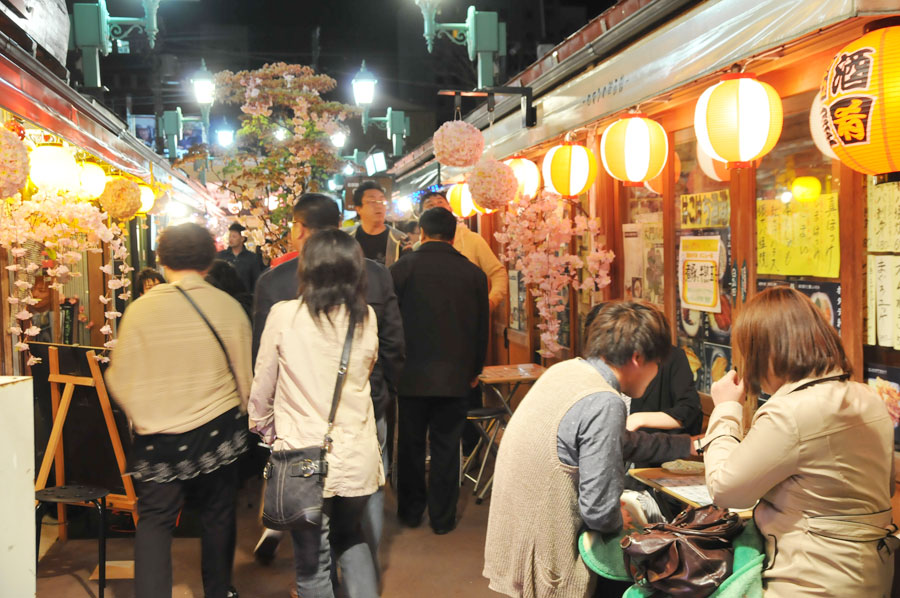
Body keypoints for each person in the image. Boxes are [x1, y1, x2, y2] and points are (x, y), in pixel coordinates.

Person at [483, 301, 693, 598]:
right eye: (656, 363)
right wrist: (621, 516)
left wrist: (688, 445)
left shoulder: (566, 371)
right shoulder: (604, 400)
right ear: (637, 358)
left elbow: (621, 443)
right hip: (549, 551)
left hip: (515, 534)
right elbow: (598, 511)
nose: (657, 371)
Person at [704, 286, 895, 598]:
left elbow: (726, 489)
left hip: (809, 580)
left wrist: (726, 409)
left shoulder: (789, 412)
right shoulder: (867, 397)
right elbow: (881, 489)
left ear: (766, 352)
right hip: (869, 573)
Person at [251, 194, 405, 579]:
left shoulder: (274, 285)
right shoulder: (377, 277)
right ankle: (363, 569)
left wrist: (268, 428)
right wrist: (384, 394)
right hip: (363, 411)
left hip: (299, 426)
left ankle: (284, 534)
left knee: (311, 548)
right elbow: (392, 347)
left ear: (299, 229)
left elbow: (264, 365)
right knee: (354, 522)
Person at [106, 223, 252, 598]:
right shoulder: (228, 306)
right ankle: (218, 591)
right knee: (218, 518)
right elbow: (245, 378)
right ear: (210, 259)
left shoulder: (140, 309)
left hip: (158, 436)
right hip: (218, 430)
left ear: (162, 260)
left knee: (155, 522)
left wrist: (146, 415)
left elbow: (118, 378)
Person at [390, 207, 489, 534]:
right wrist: (475, 368)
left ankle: (410, 511)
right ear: (454, 234)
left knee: (411, 446)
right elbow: (481, 328)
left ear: (422, 231)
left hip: (411, 376)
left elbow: (390, 324)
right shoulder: (473, 273)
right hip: (456, 377)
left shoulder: (401, 269)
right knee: (448, 448)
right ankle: (443, 519)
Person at [420, 191, 508, 312]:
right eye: (430, 205)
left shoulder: (473, 239)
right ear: (421, 215)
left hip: (467, 316)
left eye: (440, 202)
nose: (436, 206)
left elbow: (498, 273)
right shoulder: (417, 248)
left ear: (450, 208)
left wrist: (491, 302)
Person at [344, 181, 409, 266]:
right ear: (358, 208)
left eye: (382, 201)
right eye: (372, 201)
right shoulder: (346, 238)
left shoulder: (401, 240)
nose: (379, 206)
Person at [218, 222, 265, 293]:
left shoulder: (252, 258)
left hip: (244, 298)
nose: (230, 239)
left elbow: (256, 280)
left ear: (242, 238)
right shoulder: (221, 256)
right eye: (230, 236)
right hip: (224, 297)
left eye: (234, 236)